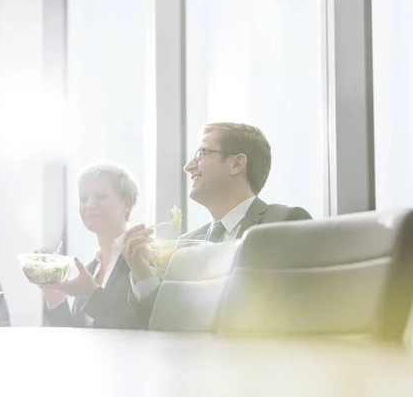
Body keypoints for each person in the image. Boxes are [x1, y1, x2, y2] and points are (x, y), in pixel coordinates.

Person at [122, 122, 312, 326]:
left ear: (237, 164)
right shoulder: (186, 244)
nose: (188, 167)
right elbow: (166, 321)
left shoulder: (283, 223)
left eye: (201, 154)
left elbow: (300, 308)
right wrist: (142, 274)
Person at [39, 161, 147, 329]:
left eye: (101, 196)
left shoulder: (141, 257)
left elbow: (143, 327)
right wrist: (55, 296)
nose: (90, 205)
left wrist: (92, 293)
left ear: (127, 202)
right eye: (84, 198)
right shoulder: (91, 267)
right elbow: (79, 338)